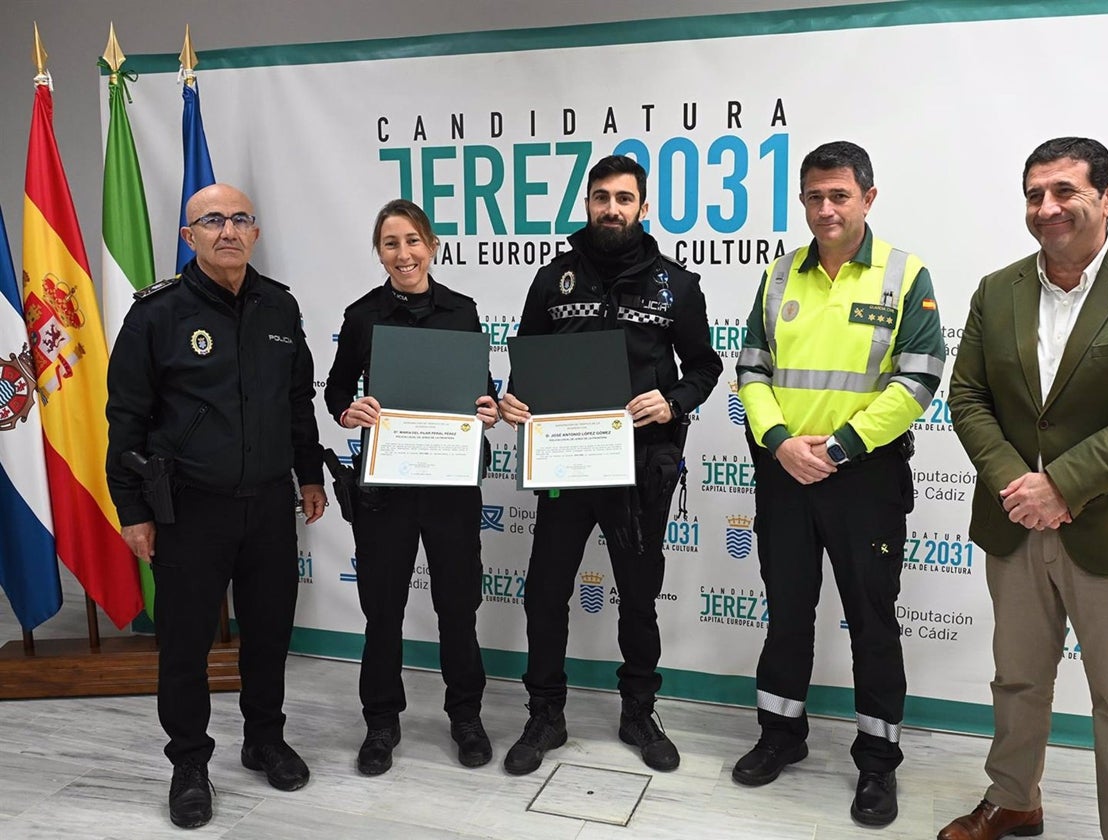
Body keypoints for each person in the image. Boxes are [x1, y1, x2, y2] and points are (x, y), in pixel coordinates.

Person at [940, 137, 1108, 840]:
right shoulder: (998, 291)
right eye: (1034, 194)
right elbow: (967, 397)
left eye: (1064, 191)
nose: (1046, 208)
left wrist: (1062, 486)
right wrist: (1016, 486)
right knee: (1018, 680)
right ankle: (1014, 799)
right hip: (1016, 523)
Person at [733, 140, 944, 827]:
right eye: (814, 197)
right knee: (787, 613)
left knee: (873, 624)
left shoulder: (905, 275)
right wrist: (779, 443)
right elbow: (752, 371)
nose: (825, 209)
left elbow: (918, 381)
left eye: (839, 196)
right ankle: (779, 738)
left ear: (868, 199)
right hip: (787, 473)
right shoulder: (779, 275)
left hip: (867, 478)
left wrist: (844, 445)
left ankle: (878, 767)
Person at [106, 183, 327, 829]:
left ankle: (264, 740)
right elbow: (126, 420)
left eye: (238, 219)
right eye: (211, 221)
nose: (227, 230)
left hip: (266, 503)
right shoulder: (156, 315)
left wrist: (309, 476)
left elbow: (296, 403)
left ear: (254, 231)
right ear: (189, 237)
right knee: (184, 646)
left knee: (267, 635)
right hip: (188, 510)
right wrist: (132, 510)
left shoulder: (280, 308)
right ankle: (189, 763)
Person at [498, 154, 720, 775]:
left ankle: (639, 711)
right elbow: (529, 364)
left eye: (625, 198)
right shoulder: (553, 279)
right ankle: (546, 713)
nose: (612, 208)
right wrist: (517, 397)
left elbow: (705, 367)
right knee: (545, 591)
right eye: (601, 198)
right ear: (588, 204)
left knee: (640, 595)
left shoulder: (677, 284)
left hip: (641, 464)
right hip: (567, 463)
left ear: (643, 207)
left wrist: (672, 400)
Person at [325, 199, 498, 776]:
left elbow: (483, 389)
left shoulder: (462, 311)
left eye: (413, 241)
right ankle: (381, 723)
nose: (404, 254)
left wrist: (488, 407)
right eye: (391, 243)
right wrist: (352, 411)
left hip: (449, 485)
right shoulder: (361, 315)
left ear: (432, 245)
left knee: (458, 606)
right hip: (387, 487)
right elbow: (335, 394)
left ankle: (466, 716)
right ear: (380, 252)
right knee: (383, 610)